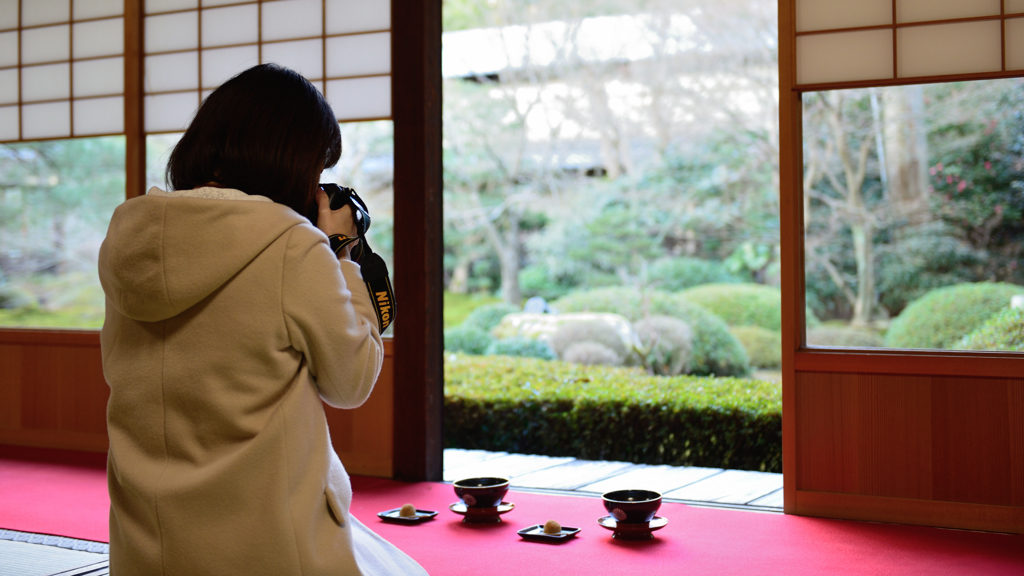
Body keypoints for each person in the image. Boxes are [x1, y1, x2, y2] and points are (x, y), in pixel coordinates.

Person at [98, 64, 427, 575]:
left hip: (148, 546)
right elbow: (351, 382)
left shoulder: (128, 234)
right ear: (289, 157)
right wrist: (342, 253)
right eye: (316, 164)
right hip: (269, 542)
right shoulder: (292, 246)